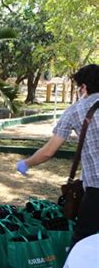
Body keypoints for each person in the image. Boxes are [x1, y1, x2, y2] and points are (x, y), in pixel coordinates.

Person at [16, 64, 99, 247]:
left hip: (96, 188)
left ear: (83, 87)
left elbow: (48, 151)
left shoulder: (76, 110)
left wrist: (26, 163)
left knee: (83, 241)